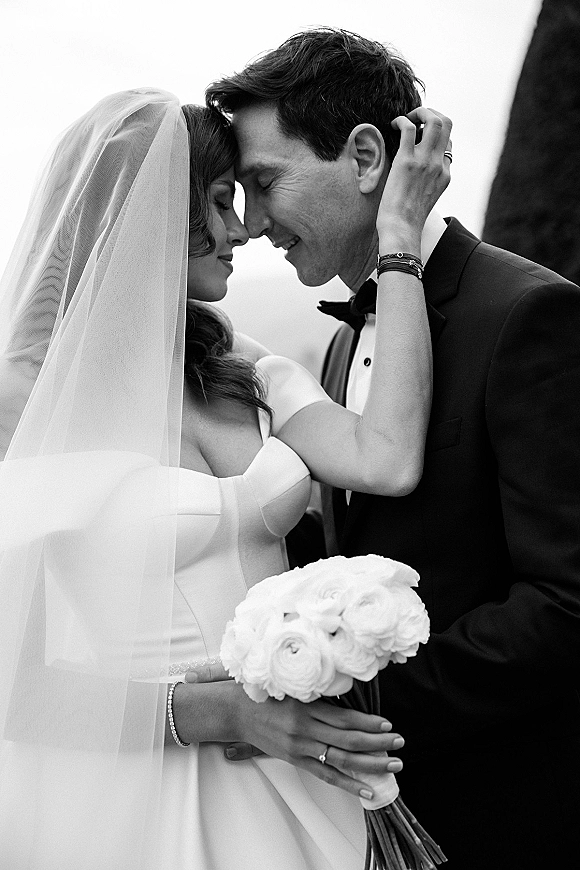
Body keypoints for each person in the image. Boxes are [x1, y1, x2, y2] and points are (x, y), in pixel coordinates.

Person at [0, 88, 450, 869]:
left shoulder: (238, 363)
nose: (241, 230)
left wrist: (398, 242)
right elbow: (13, 684)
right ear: (148, 214)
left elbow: (387, 458)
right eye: (218, 202)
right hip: (140, 797)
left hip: (301, 769)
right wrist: (224, 715)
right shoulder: (26, 402)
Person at [204, 27, 580, 869]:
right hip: (373, 821)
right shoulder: (342, 343)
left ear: (367, 158)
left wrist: (354, 699)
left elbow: (565, 601)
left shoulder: (529, 316)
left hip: (514, 811)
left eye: (265, 183)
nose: (253, 224)